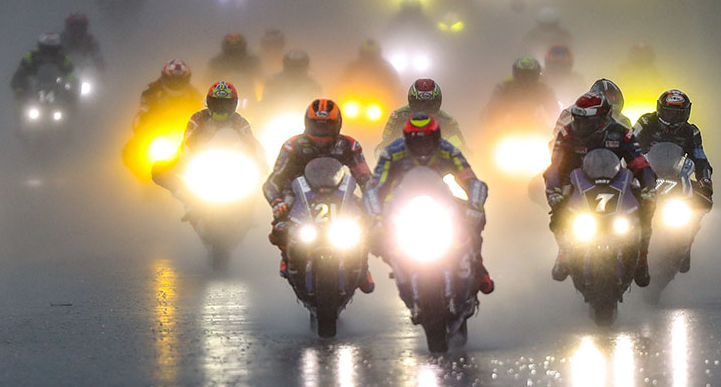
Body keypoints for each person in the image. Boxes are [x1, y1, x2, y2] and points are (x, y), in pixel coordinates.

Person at [368, 113, 494, 294]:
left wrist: (474, 206)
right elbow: (374, 188)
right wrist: (375, 217)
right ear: (407, 140)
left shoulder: (449, 151)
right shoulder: (392, 153)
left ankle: (478, 267)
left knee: (474, 222)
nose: (422, 148)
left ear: (436, 138)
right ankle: (398, 268)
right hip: (403, 205)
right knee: (375, 237)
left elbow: (473, 182)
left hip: (443, 202)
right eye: (416, 142)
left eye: (427, 141)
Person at [543, 92, 656, 287]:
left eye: (587, 121)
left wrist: (648, 187)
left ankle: (642, 257)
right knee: (558, 212)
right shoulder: (567, 134)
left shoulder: (623, 133)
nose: (581, 125)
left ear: (603, 119)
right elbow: (554, 167)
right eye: (578, 119)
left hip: (614, 180)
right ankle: (563, 251)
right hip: (576, 180)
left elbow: (639, 162)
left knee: (646, 207)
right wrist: (554, 191)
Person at [262, 98, 375, 284]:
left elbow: (365, 177)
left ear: (337, 124)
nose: (322, 131)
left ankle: (362, 266)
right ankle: (287, 257)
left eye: (327, 125)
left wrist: (371, 201)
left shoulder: (349, 145)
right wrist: (277, 203)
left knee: (367, 221)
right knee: (280, 226)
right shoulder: (292, 146)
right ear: (308, 123)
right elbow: (273, 182)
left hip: (338, 192)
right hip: (298, 193)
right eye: (317, 125)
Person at [152, 81, 266, 210]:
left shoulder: (241, 122)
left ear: (233, 104)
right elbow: (186, 142)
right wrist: (186, 156)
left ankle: (251, 207)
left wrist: (259, 162)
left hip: (233, 163)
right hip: (202, 159)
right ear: (209, 102)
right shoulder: (197, 118)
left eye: (225, 105)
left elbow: (252, 144)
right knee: (158, 172)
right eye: (217, 104)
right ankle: (188, 200)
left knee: (264, 174)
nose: (221, 109)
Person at [633, 89, 713, 271]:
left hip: (677, 178)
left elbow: (700, 158)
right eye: (669, 112)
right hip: (647, 177)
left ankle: (686, 245)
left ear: (686, 113)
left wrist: (706, 181)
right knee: (625, 204)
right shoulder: (646, 122)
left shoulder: (691, 132)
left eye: (678, 114)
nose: (672, 118)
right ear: (660, 110)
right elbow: (629, 146)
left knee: (700, 205)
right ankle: (622, 248)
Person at [379, 77, 466, 154]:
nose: (424, 109)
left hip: (438, 163)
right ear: (411, 100)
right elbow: (386, 141)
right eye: (420, 103)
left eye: (429, 104)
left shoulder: (448, 121)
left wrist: (464, 152)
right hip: (404, 162)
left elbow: (461, 146)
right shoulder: (398, 116)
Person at [481, 56, 560, 126]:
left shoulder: (545, 89)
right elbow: (493, 106)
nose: (526, 79)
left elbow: (554, 110)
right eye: (522, 74)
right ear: (516, 73)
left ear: (536, 74)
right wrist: (489, 120)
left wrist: (558, 124)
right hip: (507, 127)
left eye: (529, 75)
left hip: (538, 127)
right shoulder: (503, 87)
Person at [554, 77, 630, 134]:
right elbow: (556, 140)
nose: (609, 115)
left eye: (614, 112)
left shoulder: (623, 120)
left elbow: (631, 145)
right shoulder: (572, 113)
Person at [10, 32, 76, 96]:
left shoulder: (63, 58)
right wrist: (19, 87)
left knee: (75, 102)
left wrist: (72, 87)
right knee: (20, 102)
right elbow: (20, 73)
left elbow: (71, 75)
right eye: (46, 49)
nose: (48, 53)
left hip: (58, 92)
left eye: (51, 50)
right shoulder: (31, 56)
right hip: (33, 92)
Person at [137, 59, 202, 118]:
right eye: (172, 81)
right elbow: (142, 118)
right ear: (164, 78)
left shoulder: (194, 95)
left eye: (180, 81)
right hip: (157, 128)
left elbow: (200, 116)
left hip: (185, 127)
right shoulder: (150, 92)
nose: (176, 85)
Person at [207, 32, 263, 97]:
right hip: (221, 99)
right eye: (230, 44)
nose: (234, 46)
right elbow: (207, 82)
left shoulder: (252, 62)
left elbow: (261, 79)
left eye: (237, 43)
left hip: (249, 97)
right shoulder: (216, 63)